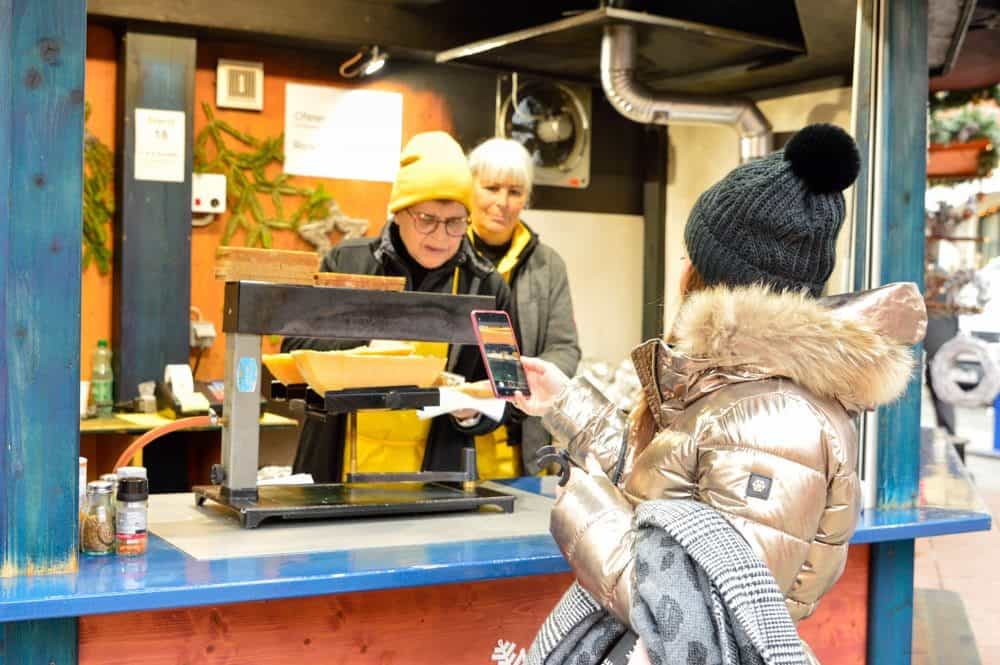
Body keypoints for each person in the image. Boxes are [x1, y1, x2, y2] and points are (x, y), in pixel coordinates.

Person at [515, 125, 927, 664]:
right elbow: (664, 482)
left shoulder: (775, 420)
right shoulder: (737, 387)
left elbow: (697, 616)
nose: (681, 266)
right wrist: (564, 402)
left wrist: (584, 509)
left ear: (715, 277)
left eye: (692, 254)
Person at [282, 131, 512, 482]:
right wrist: (364, 351)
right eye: (427, 220)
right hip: (335, 468)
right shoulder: (346, 265)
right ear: (399, 212)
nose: (440, 237)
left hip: (436, 480)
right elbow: (294, 348)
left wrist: (472, 412)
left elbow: (509, 391)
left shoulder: (486, 286)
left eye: (454, 223)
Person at [467, 138, 581, 477]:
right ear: (469, 189)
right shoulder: (447, 257)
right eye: (491, 188)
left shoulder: (549, 265)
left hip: (525, 439)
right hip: (455, 436)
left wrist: (523, 385)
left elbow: (564, 347)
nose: (501, 202)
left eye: (515, 192)